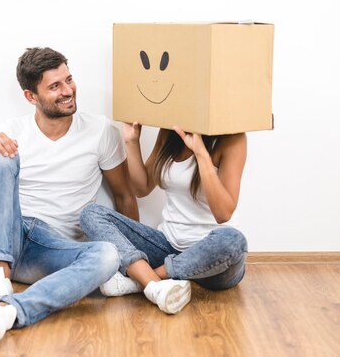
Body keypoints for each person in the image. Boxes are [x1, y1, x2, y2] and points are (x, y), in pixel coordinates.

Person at [0, 47, 139, 347]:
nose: (68, 91)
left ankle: (6, 313)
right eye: (55, 86)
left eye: (69, 79)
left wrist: (130, 261)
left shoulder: (100, 131)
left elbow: (125, 196)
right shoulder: (12, 131)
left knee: (107, 255)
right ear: (31, 96)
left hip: (55, 251)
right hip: (10, 237)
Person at [80, 122, 248, 315]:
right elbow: (141, 188)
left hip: (214, 262)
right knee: (91, 214)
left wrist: (201, 154)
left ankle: (143, 281)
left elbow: (223, 213)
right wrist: (132, 141)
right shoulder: (170, 132)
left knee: (234, 240)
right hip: (168, 246)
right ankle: (156, 282)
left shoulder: (233, 138)